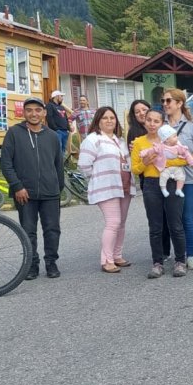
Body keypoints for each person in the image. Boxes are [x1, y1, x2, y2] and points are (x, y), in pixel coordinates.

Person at [1, 96, 65, 280]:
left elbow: (58, 164)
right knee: (28, 230)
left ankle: (51, 262)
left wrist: (57, 188)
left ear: (44, 113)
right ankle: (31, 264)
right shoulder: (14, 133)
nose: (34, 113)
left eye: (38, 110)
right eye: (29, 110)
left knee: (52, 229)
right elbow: (6, 164)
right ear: (24, 112)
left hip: (50, 192)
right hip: (24, 193)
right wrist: (17, 186)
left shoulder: (52, 136)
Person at [133, 107, 188, 278]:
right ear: (145, 121)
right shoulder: (139, 142)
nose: (152, 124)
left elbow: (184, 158)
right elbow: (135, 168)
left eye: (156, 121)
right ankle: (157, 262)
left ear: (162, 123)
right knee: (155, 226)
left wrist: (164, 163)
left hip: (171, 182)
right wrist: (146, 162)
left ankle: (180, 261)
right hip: (150, 184)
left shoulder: (171, 141)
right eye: (149, 120)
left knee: (175, 224)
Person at [78, 106, 132, 273]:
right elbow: (83, 165)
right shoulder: (93, 139)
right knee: (113, 222)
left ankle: (117, 255)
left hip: (124, 186)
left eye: (112, 118)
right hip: (105, 187)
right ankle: (106, 260)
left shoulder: (119, 140)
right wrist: (97, 177)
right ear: (98, 121)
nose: (109, 121)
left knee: (121, 223)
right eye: (105, 118)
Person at [160, 88, 193, 269]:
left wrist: (183, 161)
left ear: (179, 103)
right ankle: (179, 255)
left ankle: (190, 255)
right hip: (168, 180)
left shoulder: (192, 126)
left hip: (190, 179)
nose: (165, 104)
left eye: (168, 101)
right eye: (163, 101)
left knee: (188, 217)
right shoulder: (160, 126)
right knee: (175, 219)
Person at [141, 125, 193, 197]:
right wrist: (143, 153)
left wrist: (192, 162)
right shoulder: (161, 146)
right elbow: (151, 150)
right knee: (163, 176)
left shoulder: (178, 146)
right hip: (165, 167)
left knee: (181, 176)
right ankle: (163, 189)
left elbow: (187, 154)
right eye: (174, 136)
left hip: (176, 167)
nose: (177, 138)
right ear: (167, 139)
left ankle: (178, 189)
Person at [45, 90, 76, 156]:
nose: (62, 98)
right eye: (61, 96)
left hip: (65, 131)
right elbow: (49, 118)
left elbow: (66, 119)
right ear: (56, 96)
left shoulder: (61, 107)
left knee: (63, 150)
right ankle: (56, 165)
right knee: (57, 150)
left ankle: (61, 165)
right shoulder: (49, 105)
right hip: (57, 132)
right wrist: (56, 129)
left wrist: (69, 128)